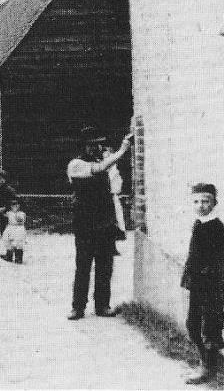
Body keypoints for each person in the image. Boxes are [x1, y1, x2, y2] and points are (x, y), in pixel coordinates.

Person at [66, 127, 132, 320]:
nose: (96, 148)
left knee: (105, 264)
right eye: (92, 145)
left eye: (98, 144)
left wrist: (113, 160)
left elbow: (116, 185)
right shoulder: (76, 164)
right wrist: (121, 151)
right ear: (83, 146)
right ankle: (78, 307)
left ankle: (102, 305)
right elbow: (97, 169)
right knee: (83, 265)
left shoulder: (103, 162)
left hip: (104, 221)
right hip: (85, 222)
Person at [181, 183, 224, 384]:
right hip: (198, 284)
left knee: (209, 327)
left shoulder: (217, 227)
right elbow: (194, 255)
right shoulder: (199, 223)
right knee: (192, 324)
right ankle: (205, 361)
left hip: (212, 286)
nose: (201, 205)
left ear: (214, 203)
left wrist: (211, 273)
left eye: (205, 201)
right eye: (196, 201)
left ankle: (208, 369)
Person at [102, 144, 128, 242]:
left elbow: (117, 181)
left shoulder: (113, 169)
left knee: (117, 211)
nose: (106, 157)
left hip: (112, 192)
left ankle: (121, 231)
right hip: (107, 193)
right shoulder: (105, 167)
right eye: (105, 156)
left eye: (108, 155)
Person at [0, 199, 27, 263]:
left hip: (18, 229)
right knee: (9, 242)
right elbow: (3, 215)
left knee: (18, 243)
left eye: (17, 205)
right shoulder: (9, 213)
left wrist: (17, 215)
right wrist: (2, 210)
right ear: (11, 206)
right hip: (10, 228)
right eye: (13, 205)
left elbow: (21, 221)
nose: (15, 206)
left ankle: (18, 258)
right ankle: (9, 256)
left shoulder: (22, 213)